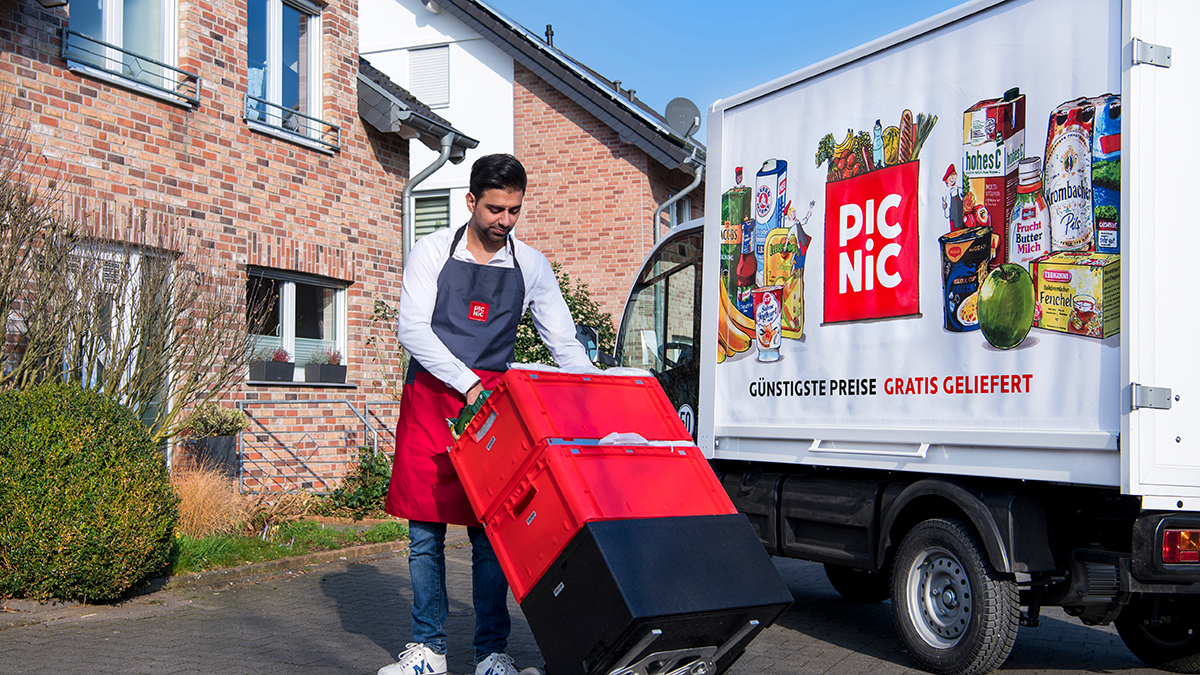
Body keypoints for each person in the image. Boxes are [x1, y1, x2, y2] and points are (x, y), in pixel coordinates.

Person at [378, 154, 594, 675]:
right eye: (495, 209)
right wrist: (467, 382)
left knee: (491, 536)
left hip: (492, 413)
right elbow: (412, 329)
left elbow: (564, 343)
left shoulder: (531, 265)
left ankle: (491, 654)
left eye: (514, 210)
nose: (505, 220)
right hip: (433, 400)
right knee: (425, 534)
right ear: (471, 201)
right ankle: (428, 651)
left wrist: (592, 393)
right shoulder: (432, 251)